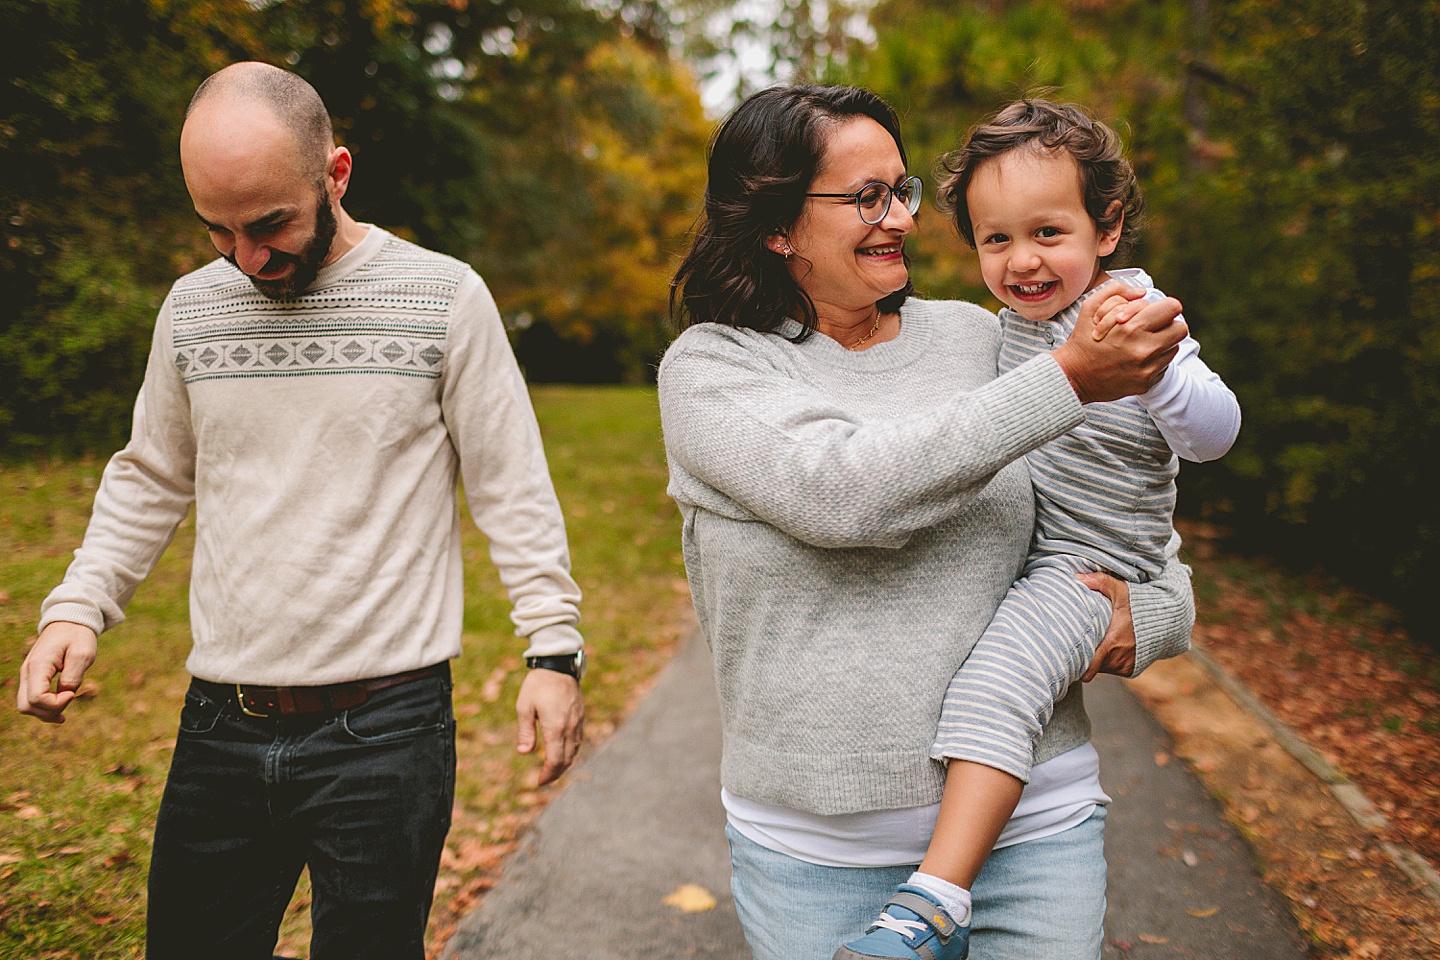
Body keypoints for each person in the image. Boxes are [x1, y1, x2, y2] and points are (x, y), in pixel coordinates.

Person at [14, 62, 587, 959]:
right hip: (220, 725)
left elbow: (510, 482)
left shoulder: (441, 298)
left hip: (388, 734)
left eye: (271, 224)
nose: (248, 258)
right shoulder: (193, 310)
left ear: (337, 174)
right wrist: (80, 604)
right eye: (218, 232)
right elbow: (152, 473)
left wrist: (553, 649)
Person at [659, 84, 1196, 960]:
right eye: (866, 196)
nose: (900, 218)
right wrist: (1065, 377)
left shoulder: (982, 340)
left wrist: (1158, 612)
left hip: (1034, 825)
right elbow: (843, 495)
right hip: (820, 856)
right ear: (777, 225)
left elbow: (1117, 505)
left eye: (900, 190)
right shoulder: (712, 371)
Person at [836, 100, 1242, 960]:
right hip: (1039, 557)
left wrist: (1157, 377)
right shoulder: (1007, 330)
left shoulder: (1132, 309)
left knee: (995, 688)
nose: (1022, 261)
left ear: (1108, 227)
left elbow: (1216, 436)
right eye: (995, 240)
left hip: (1090, 567)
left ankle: (935, 898)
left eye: (1048, 232)